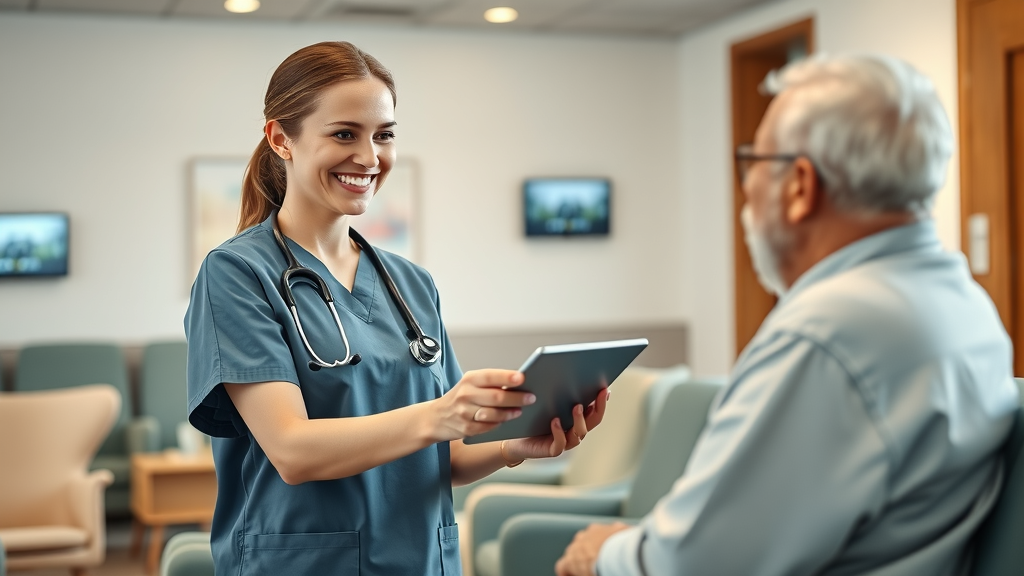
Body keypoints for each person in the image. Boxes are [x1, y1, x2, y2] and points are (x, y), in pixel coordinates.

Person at [555, 53, 1021, 576]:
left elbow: (693, 565)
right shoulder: (964, 304)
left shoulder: (829, 335)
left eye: (753, 163)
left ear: (799, 185)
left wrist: (604, 554)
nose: (747, 188)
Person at [184, 41, 608, 576]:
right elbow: (292, 450)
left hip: (424, 561)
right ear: (280, 139)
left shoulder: (410, 284)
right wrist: (443, 413)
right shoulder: (237, 274)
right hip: (304, 565)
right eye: (344, 134)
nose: (369, 157)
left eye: (383, 135)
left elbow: (445, 453)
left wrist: (513, 446)